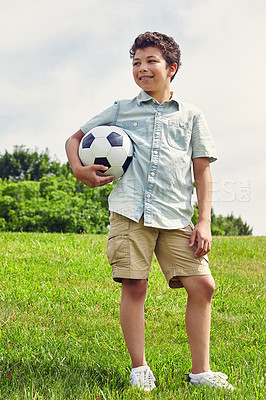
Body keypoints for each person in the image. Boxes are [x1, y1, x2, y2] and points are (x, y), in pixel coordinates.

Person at [65, 31, 235, 391]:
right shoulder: (120, 109)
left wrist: (204, 221)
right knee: (135, 285)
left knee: (203, 285)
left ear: (171, 68)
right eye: (136, 63)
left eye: (150, 61)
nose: (142, 69)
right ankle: (140, 368)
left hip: (176, 216)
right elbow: (74, 139)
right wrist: (78, 169)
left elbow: (202, 169)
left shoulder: (191, 116)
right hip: (131, 213)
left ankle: (200, 373)